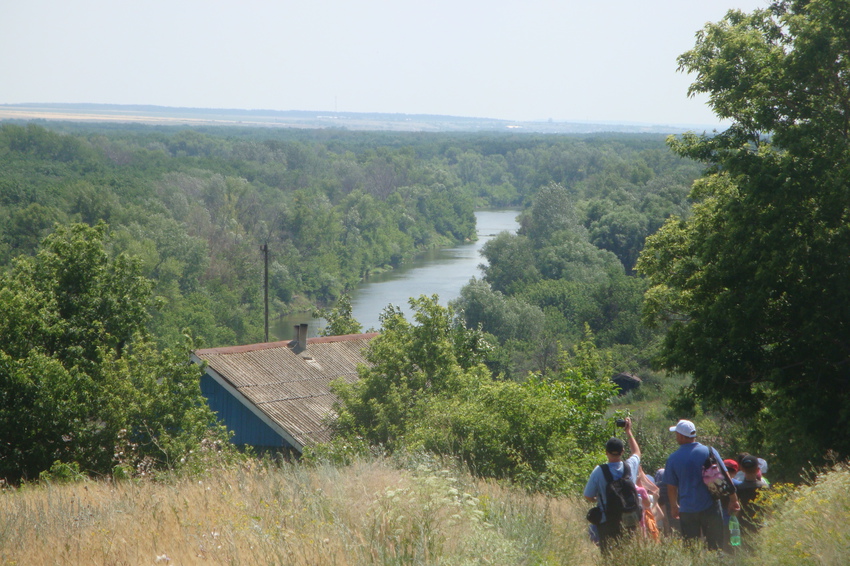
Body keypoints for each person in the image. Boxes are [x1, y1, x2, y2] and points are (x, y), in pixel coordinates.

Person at [663, 419, 740, 550]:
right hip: (711, 507)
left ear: (681, 436)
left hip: (687, 509)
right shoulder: (709, 451)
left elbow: (671, 487)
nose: (676, 437)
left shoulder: (673, 458)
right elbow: (726, 476)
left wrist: (674, 506)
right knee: (715, 548)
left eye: (676, 434)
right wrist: (733, 499)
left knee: (692, 549)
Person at [584, 417, 641, 553]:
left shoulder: (599, 471)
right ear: (622, 452)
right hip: (629, 520)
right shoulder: (630, 466)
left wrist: (598, 499)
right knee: (628, 554)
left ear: (606, 452)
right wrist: (629, 432)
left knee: (609, 556)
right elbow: (637, 453)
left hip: (607, 521)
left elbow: (588, 495)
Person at [734, 453, 769, 541]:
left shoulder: (738, 488)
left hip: (742, 524)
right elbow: (769, 508)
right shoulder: (764, 487)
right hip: (759, 524)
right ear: (758, 469)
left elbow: (735, 510)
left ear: (742, 469)